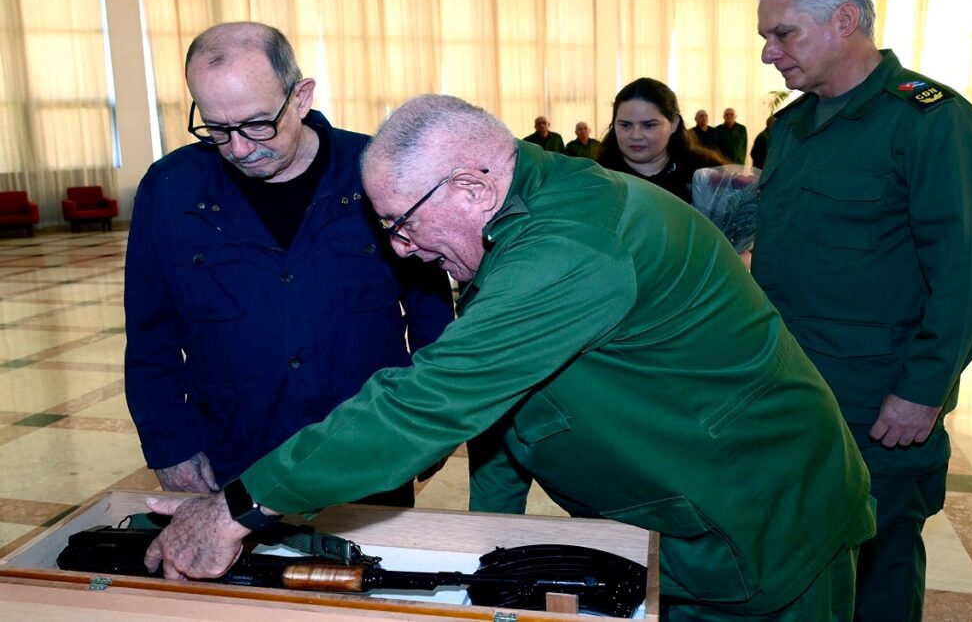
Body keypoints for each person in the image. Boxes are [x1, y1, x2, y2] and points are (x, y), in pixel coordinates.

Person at [143, 94, 876, 621]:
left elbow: (428, 398)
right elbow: (513, 407)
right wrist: (494, 548)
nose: (399, 249)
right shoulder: (515, 221)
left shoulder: (567, 247)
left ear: (470, 187)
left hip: (763, 521)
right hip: (683, 518)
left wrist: (239, 505)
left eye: (401, 224)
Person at [752, 0, 972, 622]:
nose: (769, 53)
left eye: (783, 34)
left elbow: (967, 273)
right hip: (795, 393)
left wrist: (923, 390)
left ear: (845, 21)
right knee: (806, 558)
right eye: (765, 38)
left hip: (879, 405)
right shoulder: (792, 128)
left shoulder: (930, 121)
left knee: (880, 566)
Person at [124, 22, 454, 505]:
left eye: (258, 123)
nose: (240, 148)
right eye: (216, 128)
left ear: (300, 97)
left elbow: (433, 318)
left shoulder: (377, 170)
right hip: (235, 455)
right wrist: (169, 447)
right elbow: (150, 335)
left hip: (367, 447)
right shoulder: (170, 190)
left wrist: (430, 425)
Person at [598, 78, 724, 204]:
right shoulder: (596, 177)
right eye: (625, 125)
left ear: (673, 124)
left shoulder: (705, 174)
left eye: (649, 125)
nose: (636, 136)